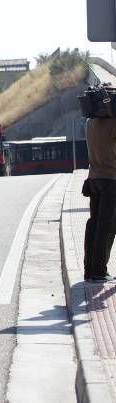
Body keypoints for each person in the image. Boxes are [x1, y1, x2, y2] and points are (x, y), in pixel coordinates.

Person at [83, 116, 116, 283]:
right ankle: (99, 271)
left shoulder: (90, 121)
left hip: (93, 178)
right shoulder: (113, 121)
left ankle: (89, 270)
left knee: (94, 223)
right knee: (107, 225)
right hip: (110, 178)